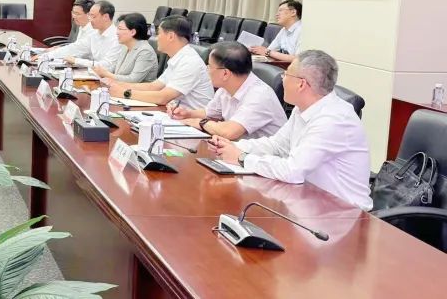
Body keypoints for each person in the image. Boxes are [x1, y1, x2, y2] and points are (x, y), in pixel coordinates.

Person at [210, 50, 372, 210]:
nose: (283, 79)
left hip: (343, 213)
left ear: (301, 84)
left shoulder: (333, 120)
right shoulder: (303, 107)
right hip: (308, 201)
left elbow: (292, 171)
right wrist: (233, 147)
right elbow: (277, 145)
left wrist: (242, 158)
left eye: (286, 74)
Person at [169, 41, 287, 140]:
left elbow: (229, 132)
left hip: (263, 157)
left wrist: (201, 123)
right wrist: (188, 114)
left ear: (225, 73)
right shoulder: (226, 87)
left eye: (209, 66)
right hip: (238, 150)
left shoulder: (259, 95)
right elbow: (210, 113)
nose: (206, 70)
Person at [106, 15, 213, 108]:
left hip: (193, 120)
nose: (156, 38)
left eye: (159, 33)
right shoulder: (178, 58)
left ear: (171, 36)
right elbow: (154, 87)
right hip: (176, 114)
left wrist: (124, 93)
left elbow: (163, 97)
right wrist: (117, 84)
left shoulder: (189, 62)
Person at [93, 13, 158, 83]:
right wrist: (101, 71)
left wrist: (106, 74)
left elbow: (133, 80)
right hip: (119, 87)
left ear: (132, 32)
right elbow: (116, 69)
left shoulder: (145, 51)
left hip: (137, 89)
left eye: (120, 29)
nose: (117, 33)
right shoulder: (125, 46)